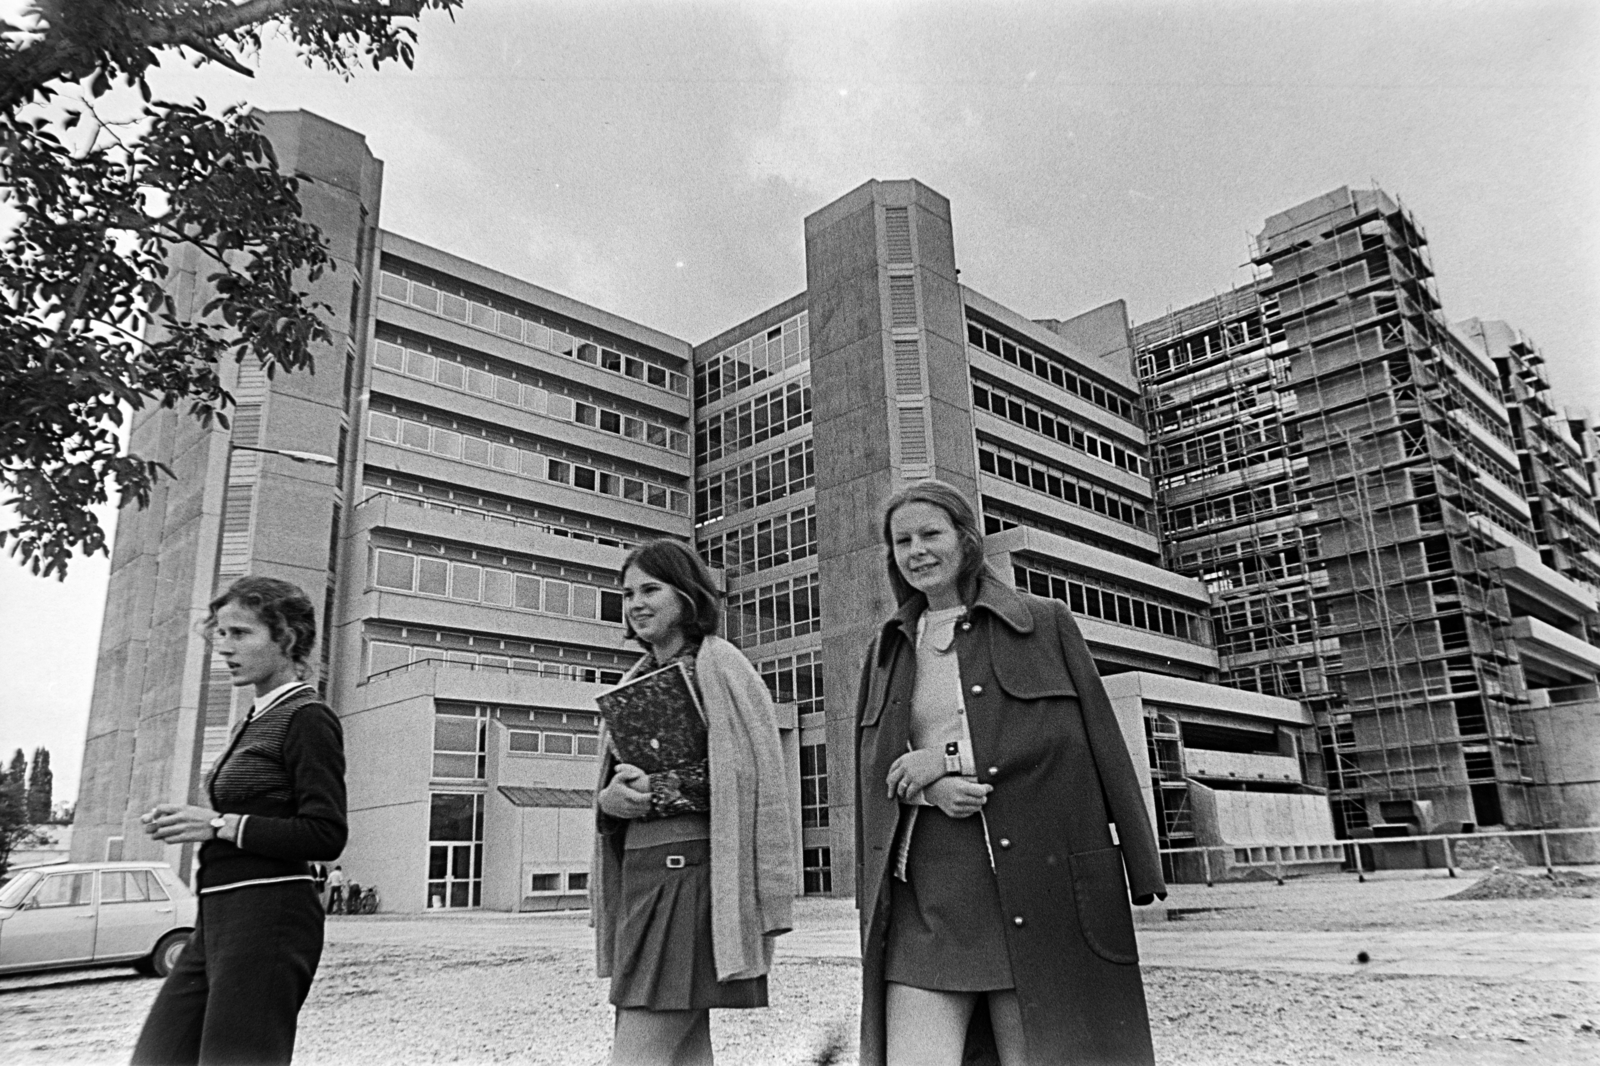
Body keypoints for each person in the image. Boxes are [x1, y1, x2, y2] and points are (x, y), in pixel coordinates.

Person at [855, 480, 1167, 1066]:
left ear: (967, 541)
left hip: (1029, 886)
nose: (916, 550)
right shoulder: (887, 644)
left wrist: (948, 759)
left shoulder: (1043, 621)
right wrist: (931, 789)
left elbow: (1081, 739)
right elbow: (877, 769)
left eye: (930, 534)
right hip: (923, 892)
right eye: (902, 541)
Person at [590, 538, 795, 1066]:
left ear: (686, 594)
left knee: (638, 1052)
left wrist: (654, 792)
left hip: (691, 876)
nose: (635, 603)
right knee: (683, 1052)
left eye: (650, 589)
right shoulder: (633, 678)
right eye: (628, 592)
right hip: (642, 875)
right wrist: (610, 801)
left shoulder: (721, 663)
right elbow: (616, 789)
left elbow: (747, 778)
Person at [132, 576, 347, 1066]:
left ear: (286, 638)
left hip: (269, 917)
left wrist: (215, 825)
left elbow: (326, 832)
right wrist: (196, 823)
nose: (224, 647)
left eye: (240, 634)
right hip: (216, 920)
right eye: (220, 634)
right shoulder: (250, 721)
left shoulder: (307, 717)